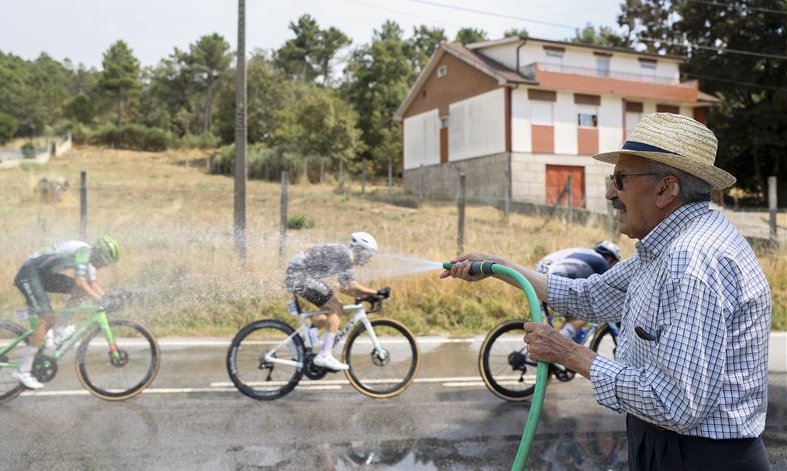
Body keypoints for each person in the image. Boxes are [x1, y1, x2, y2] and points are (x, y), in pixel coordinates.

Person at [442, 113, 771, 470]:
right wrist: (497, 265)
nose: (610, 192)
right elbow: (590, 296)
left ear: (666, 188)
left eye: (620, 179)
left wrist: (569, 353)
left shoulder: (689, 260)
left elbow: (673, 404)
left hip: (699, 458)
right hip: (675, 448)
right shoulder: (668, 247)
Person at [13, 236, 121, 389]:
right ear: (99, 254)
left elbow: (92, 284)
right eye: (104, 262)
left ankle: (59, 330)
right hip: (29, 273)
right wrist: (99, 298)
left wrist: (107, 298)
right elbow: (80, 281)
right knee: (47, 319)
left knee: (79, 292)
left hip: (42, 275)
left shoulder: (88, 260)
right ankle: (23, 371)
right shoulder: (84, 251)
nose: (103, 266)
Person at [284, 232, 387, 371]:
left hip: (297, 274)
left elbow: (345, 288)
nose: (368, 259)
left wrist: (366, 296)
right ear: (360, 250)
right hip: (300, 276)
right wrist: (375, 292)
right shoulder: (345, 255)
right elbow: (350, 286)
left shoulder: (343, 253)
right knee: (337, 307)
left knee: (326, 314)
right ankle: (325, 355)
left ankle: (296, 341)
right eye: (368, 255)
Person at [534, 241, 621, 340]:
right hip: (554, 274)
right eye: (614, 263)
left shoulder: (587, 256)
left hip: (540, 272)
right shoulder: (602, 263)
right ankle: (558, 342)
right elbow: (608, 291)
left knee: (572, 318)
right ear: (610, 258)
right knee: (585, 314)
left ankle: (563, 339)